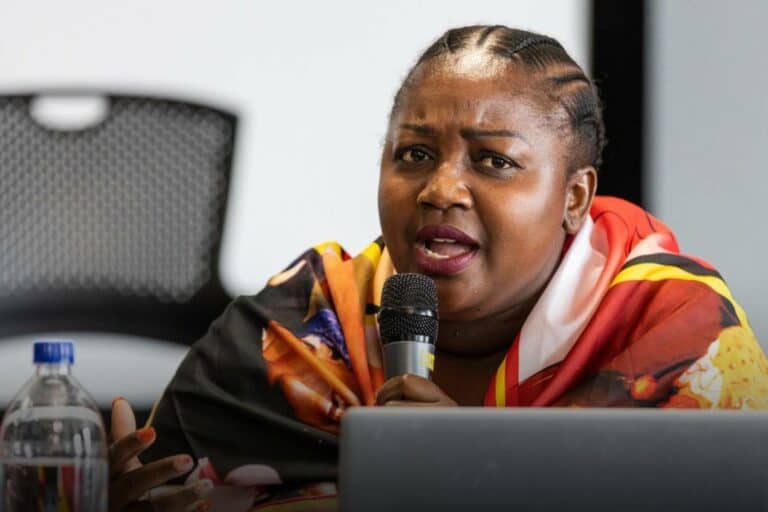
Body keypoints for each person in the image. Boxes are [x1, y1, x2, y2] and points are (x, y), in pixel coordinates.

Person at [107, 25, 768, 511]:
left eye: (494, 161)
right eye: (415, 155)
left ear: (574, 199)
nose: (440, 189)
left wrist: (460, 478)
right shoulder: (300, 326)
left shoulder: (676, 330)